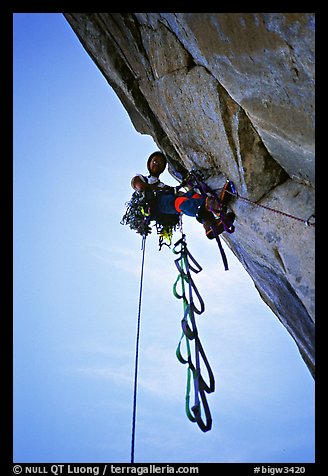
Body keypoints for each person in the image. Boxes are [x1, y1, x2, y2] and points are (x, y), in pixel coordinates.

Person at [131, 151, 235, 239]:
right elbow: (139, 185)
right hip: (157, 203)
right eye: (155, 161)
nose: (157, 164)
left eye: (161, 163)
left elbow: (178, 192)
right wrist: (163, 189)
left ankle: (209, 224)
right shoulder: (142, 178)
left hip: (164, 200)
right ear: (149, 164)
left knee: (191, 194)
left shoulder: (162, 185)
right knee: (179, 202)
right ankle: (213, 206)